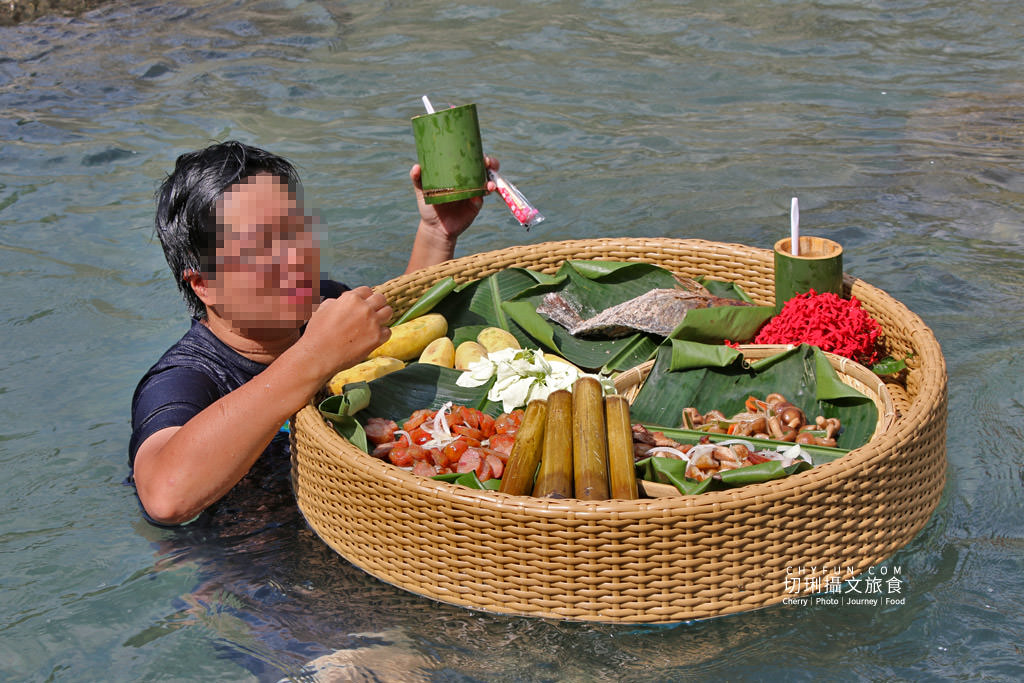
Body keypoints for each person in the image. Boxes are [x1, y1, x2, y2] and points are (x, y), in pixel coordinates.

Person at [129, 140, 497, 526]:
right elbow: (165, 496)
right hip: (249, 567)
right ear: (204, 284)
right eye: (261, 245)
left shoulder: (322, 303)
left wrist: (436, 233)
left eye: (296, 228)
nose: (295, 256)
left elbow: (401, 335)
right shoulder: (186, 379)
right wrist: (315, 355)